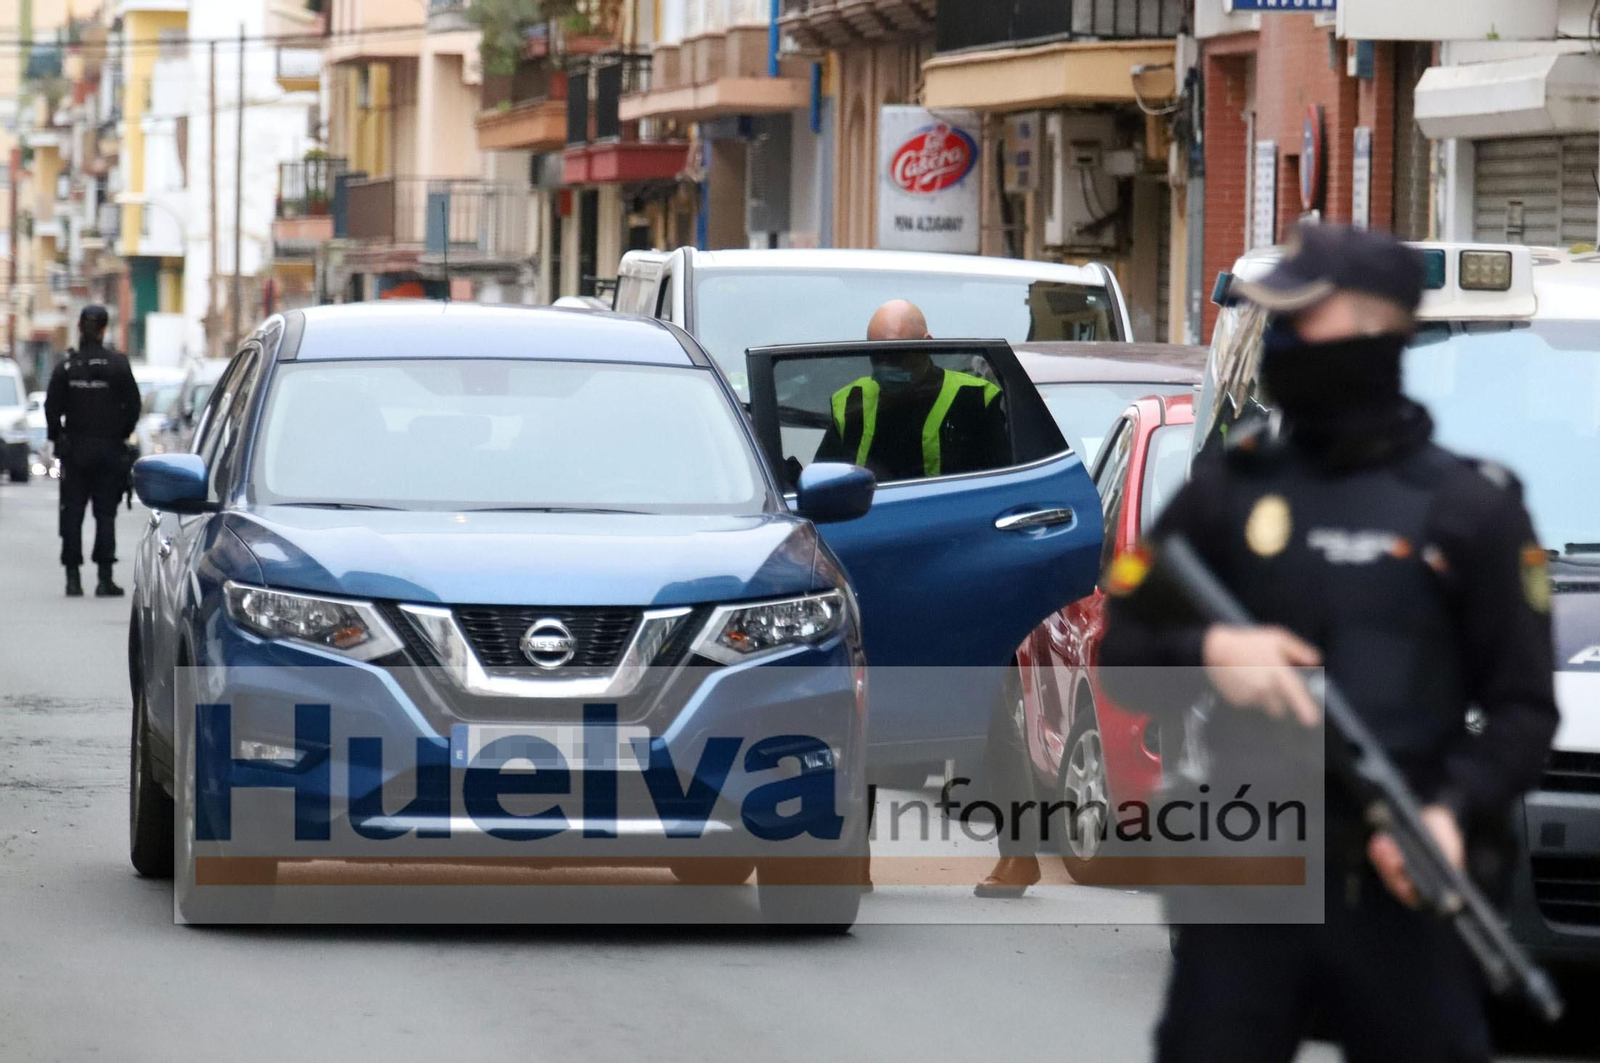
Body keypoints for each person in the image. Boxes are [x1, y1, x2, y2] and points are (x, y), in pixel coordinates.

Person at [1098, 225, 1558, 1062]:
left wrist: (1452, 812)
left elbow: (1525, 708)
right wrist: (1213, 654)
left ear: (1377, 330)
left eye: (1300, 321)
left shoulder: (1472, 508)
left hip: (1402, 881)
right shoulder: (1228, 495)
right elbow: (1124, 653)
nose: (1281, 343)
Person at [816, 300, 1008, 481]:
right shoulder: (851, 400)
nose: (885, 365)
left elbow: (1001, 483)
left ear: (927, 345)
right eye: (875, 355)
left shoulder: (975, 398)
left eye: (895, 354)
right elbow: (823, 483)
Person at [45, 305, 141, 598]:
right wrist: (120, 433)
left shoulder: (66, 367)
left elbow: (51, 408)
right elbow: (134, 407)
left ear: (79, 328)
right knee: (105, 515)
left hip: (75, 452)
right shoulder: (118, 365)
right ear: (103, 330)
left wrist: (58, 438)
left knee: (72, 514)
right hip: (109, 451)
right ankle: (104, 578)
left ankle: (73, 579)